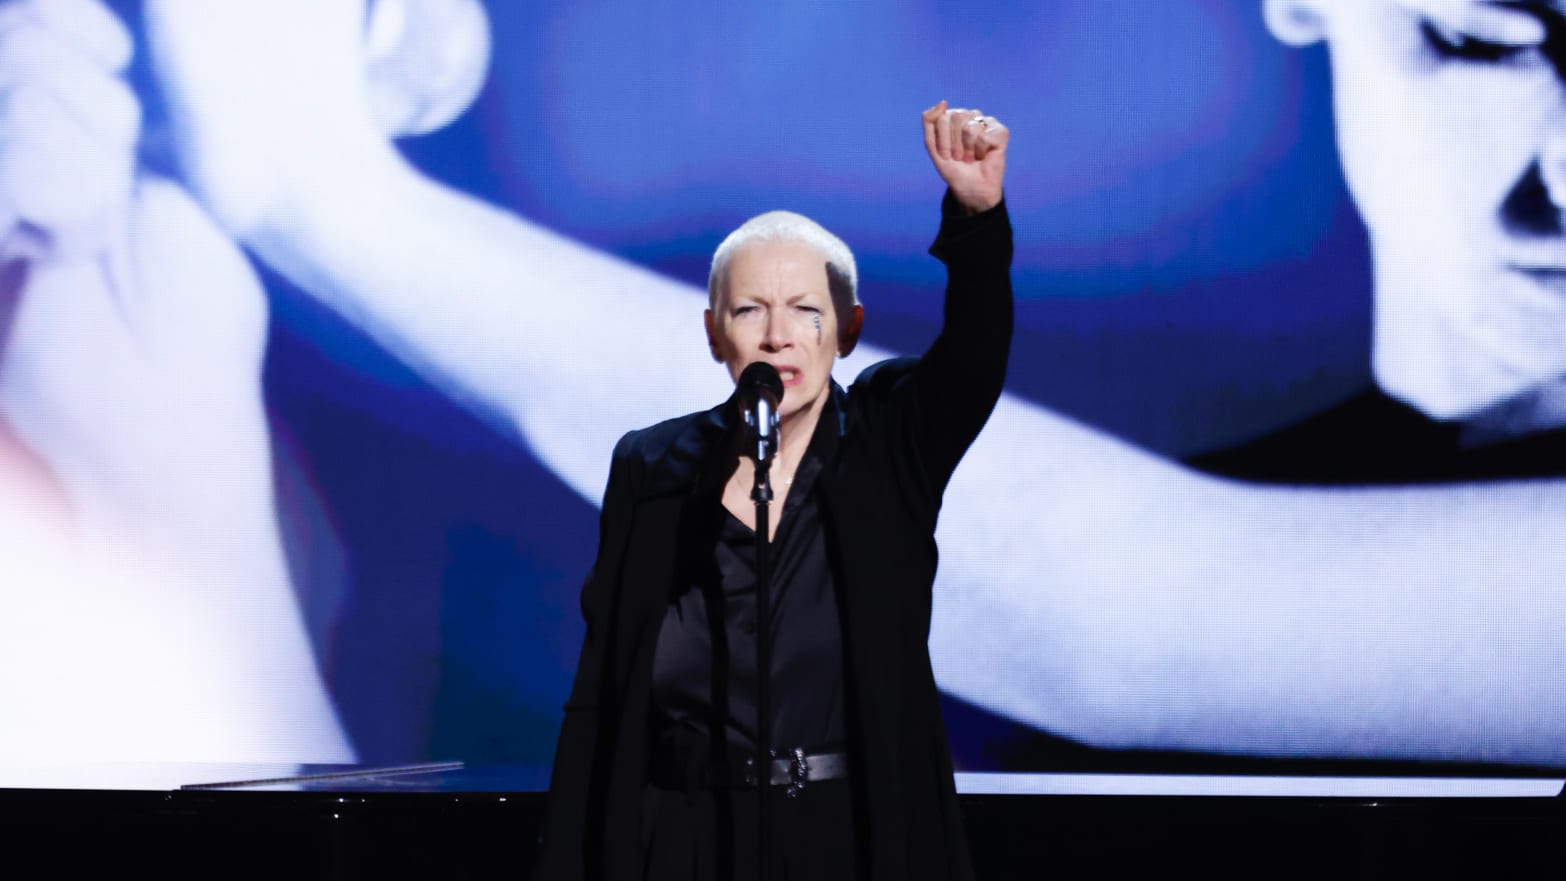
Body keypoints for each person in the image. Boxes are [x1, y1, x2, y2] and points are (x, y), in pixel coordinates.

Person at [532, 102, 1012, 881]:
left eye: (805, 311)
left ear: (849, 329)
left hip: (843, 834)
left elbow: (975, 355)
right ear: (715, 331)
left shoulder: (891, 442)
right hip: (681, 833)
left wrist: (978, 219)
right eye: (750, 310)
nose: (777, 335)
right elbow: (602, 686)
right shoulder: (653, 465)